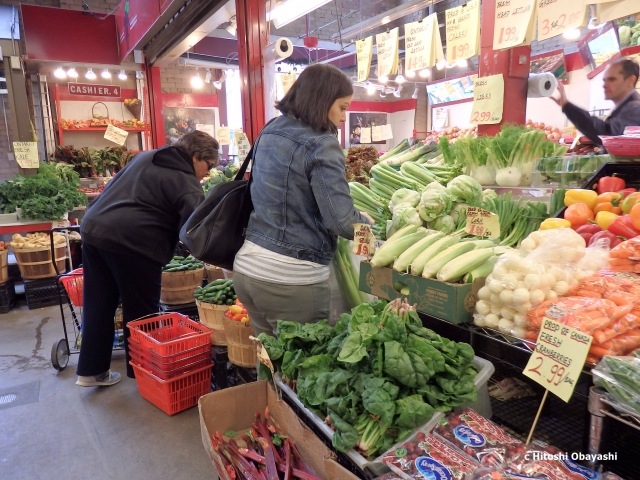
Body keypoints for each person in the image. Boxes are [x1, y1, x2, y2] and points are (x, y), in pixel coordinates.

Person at [232, 63, 374, 338]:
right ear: (322, 101)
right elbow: (342, 221)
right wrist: (365, 223)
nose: (344, 118)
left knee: (271, 364)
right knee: (302, 373)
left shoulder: (270, 129)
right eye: (342, 108)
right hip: (289, 281)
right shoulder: (321, 142)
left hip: (248, 270)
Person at [76, 131, 219, 386]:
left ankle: (91, 372)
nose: (206, 174)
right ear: (196, 157)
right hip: (134, 243)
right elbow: (199, 227)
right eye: (208, 166)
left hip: (94, 230)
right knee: (141, 312)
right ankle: (142, 374)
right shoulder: (185, 180)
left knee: (98, 303)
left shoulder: (148, 157)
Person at [552, 57, 640, 145]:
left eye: (612, 79)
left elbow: (607, 135)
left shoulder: (634, 109)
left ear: (630, 80)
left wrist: (567, 106)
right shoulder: (628, 107)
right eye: (604, 80)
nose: (604, 85)